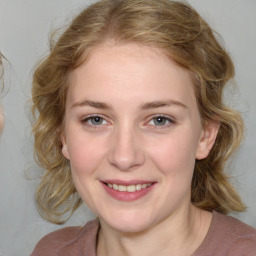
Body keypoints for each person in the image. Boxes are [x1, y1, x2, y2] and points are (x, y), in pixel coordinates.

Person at [30, 0, 256, 255]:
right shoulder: (51, 251)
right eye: (96, 120)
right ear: (63, 136)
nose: (124, 157)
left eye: (160, 120)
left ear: (205, 135)